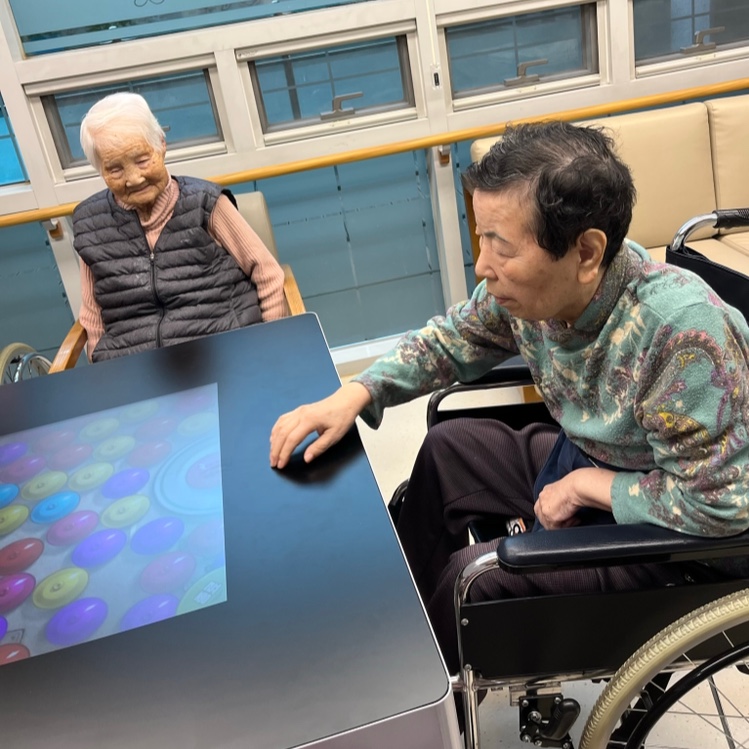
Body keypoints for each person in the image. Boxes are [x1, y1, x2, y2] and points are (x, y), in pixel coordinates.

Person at [269, 120, 749, 674]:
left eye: (501, 247)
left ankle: (426, 689)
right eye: (482, 240)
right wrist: (357, 391)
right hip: (595, 461)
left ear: (586, 251)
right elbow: (454, 338)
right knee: (450, 448)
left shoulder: (682, 335)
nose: (482, 267)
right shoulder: (540, 293)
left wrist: (583, 487)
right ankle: (402, 622)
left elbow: (721, 506)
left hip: (676, 544)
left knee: (476, 581)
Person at [73, 92, 286, 362]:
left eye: (142, 160)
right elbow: (92, 317)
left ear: (161, 145)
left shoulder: (206, 203)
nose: (134, 178)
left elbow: (267, 274)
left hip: (225, 353)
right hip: (138, 368)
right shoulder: (90, 223)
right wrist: (106, 375)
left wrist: (271, 349)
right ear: (100, 170)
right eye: (115, 169)